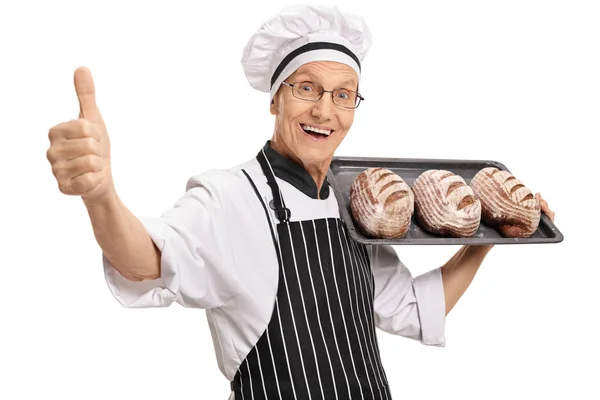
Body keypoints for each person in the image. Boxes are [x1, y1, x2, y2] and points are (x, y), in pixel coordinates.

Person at [45, 5, 555, 399]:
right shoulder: (229, 197)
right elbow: (145, 259)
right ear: (275, 98)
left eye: (342, 94)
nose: (324, 110)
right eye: (306, 88)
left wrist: (486, 238)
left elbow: (415, 310)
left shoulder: (356, 201)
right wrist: (102, 196)